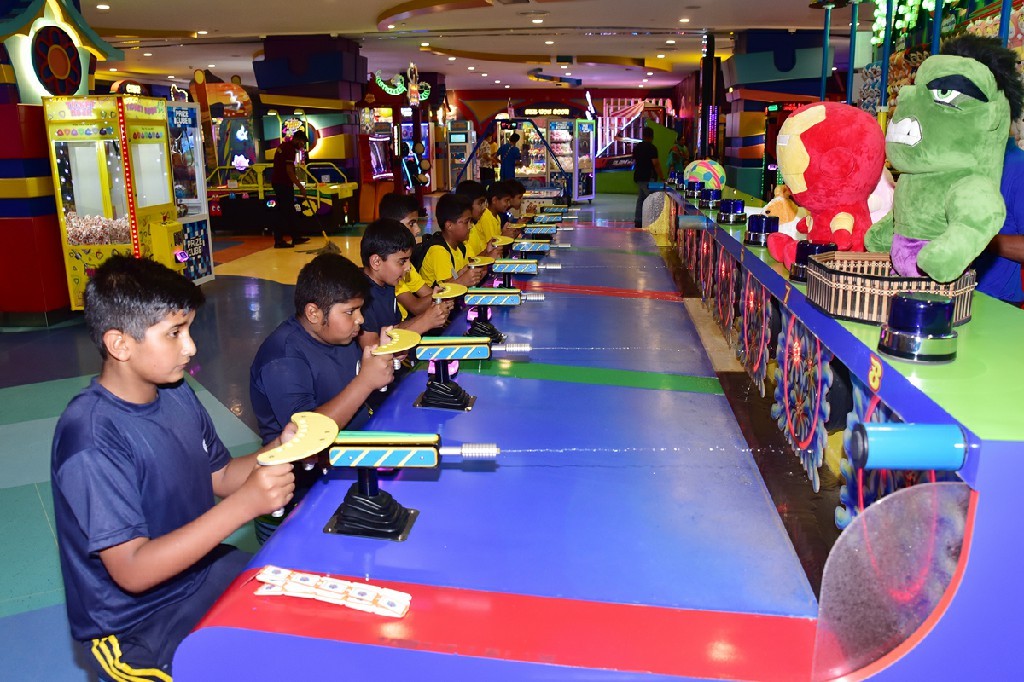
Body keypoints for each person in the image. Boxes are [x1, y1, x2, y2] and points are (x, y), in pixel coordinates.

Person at [51, 255, 297, 680]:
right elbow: (132, 570)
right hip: (138, 625)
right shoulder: (90, 438)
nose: (191, 347)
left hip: (202, 571)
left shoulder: (176, 392)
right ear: (120, 345)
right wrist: (245, 506)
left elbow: (220, 476)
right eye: (174, 333)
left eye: (189, 329)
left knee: (303, 622)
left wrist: (281, 449)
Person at [249, 254, 396, 540]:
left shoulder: (340, 337)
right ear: (314, 313)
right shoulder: (282, 359)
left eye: (360, 309)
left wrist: (382, 362)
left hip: (344, 476)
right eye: (350, 311)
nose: (360, 319)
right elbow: (306, 436)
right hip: (299, 500)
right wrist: (366, 382)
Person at [359, 218, 452, 349]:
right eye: (402, 261)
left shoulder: (389, 286)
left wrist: (430, 315)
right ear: (376, 262)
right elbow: (372, 348)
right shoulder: (360, 294)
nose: (408, 267)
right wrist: (425, 322)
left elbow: (395, 329)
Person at [378, 192, 443, 319]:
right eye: (411, 223)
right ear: (393, 224)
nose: (418, 230)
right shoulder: (389, 267)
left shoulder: (406, 264)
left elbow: (426, 293)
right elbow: (416, 307)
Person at [415, 193, 487, 288]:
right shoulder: (438, 251)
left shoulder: (462, 246)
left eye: (471, 221)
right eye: (466, 222)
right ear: (449, 225)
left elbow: (471, 276)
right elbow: (446, 290)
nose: (470, 226)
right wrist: (463, 280)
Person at [270, 130, 311, 249]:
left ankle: (296, 236)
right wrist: (301, 187)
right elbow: (289, 171)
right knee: (283, 211)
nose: (302, 146)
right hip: (282, 183)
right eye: (302, 143)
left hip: (280, 182)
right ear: (297, 139)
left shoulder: (284, 146)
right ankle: (279, 240)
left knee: (290, 210)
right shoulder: (289, 150)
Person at [466, 181, 514, 257]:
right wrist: (504, 237)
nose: (484, 207)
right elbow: (493, 247)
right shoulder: (485, 217)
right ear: (494, 200)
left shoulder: (497, 217)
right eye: (506, 200)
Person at [632, 126, 663, 228]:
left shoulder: (637, 147)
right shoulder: (652, 148)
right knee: (651, 199)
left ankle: (638, 220)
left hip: (639, 176)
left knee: (641, 198)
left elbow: (635, 161)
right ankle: (652, 221)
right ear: (652, 137)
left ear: (643, 135)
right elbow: (656, 164)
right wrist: (662, 177)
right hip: (648, 177)